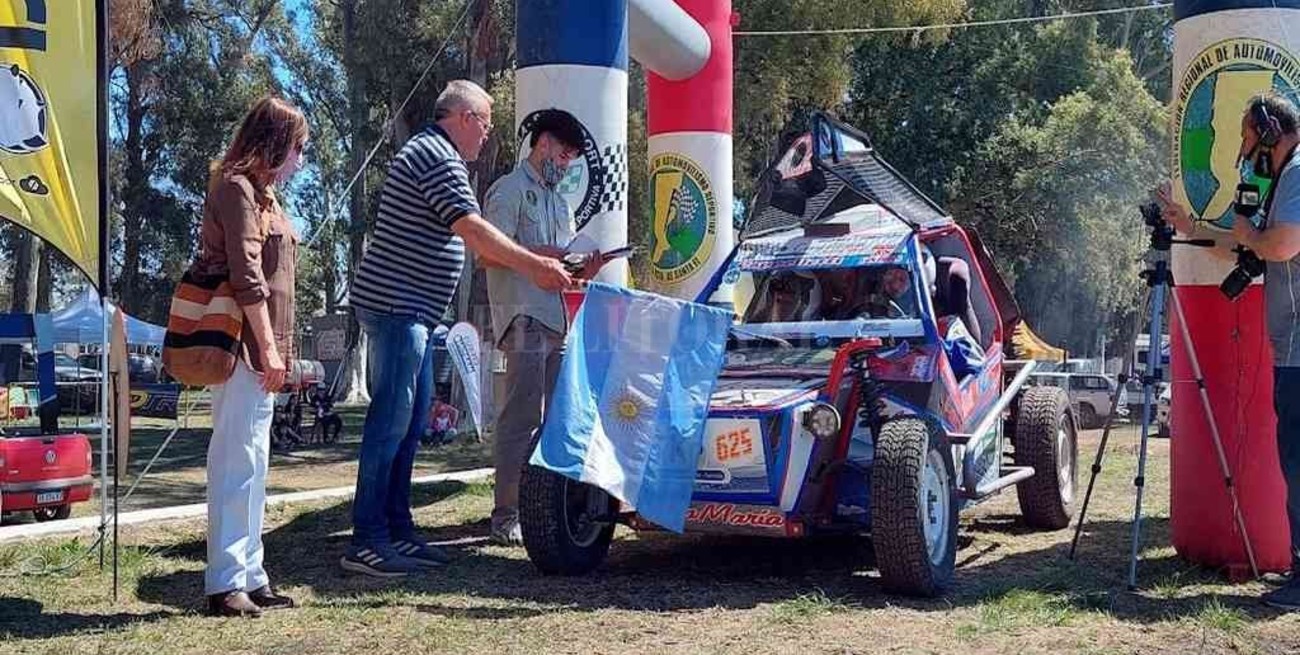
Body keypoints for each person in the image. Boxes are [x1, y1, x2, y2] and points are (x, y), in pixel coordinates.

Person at [344, 80, 573, 577]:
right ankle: (367, 538)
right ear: (464, 117)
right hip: (397, 306)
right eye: (486, 123)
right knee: (390, 423)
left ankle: (398, 529)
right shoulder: (436, 155)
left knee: (408, 425)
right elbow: (472, 229)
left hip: (419, 313)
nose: (487, 135)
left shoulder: (437, 156)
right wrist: (534, 264)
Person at [1157, 91, 1300, 610]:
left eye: (1245, 136)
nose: (1242, 149)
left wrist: (1248, 232)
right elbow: (1247, 243)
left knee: (1299, 459)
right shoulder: (1283, 180)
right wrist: (1192, 227)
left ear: (1267, 129)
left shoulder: (1297, 171)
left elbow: (1280, 244)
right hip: (1291, 346)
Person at [199, 96, 307, 617]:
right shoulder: (236, 188)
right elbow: (247, 274)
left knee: (255, 461)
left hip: (264, 349)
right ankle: (224, 581)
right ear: (274, 142)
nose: (300, 160)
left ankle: (249, 572)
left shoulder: (266, 196)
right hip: (242, 346)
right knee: (235, 461)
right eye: (297, 148)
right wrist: (266, 346)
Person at [482, 109, 605, 545]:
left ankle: (546, 508)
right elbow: (488, 252)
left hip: (558, 319)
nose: (568, 163)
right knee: (521, 415)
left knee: (558, 418)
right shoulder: (509, 190)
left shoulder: (560, 204)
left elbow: (563, 269)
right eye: (566, 153)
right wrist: (544, 255)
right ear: (544, 144)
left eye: (574, 157)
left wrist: (584, 267)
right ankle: (506, 514)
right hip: (522, 316)